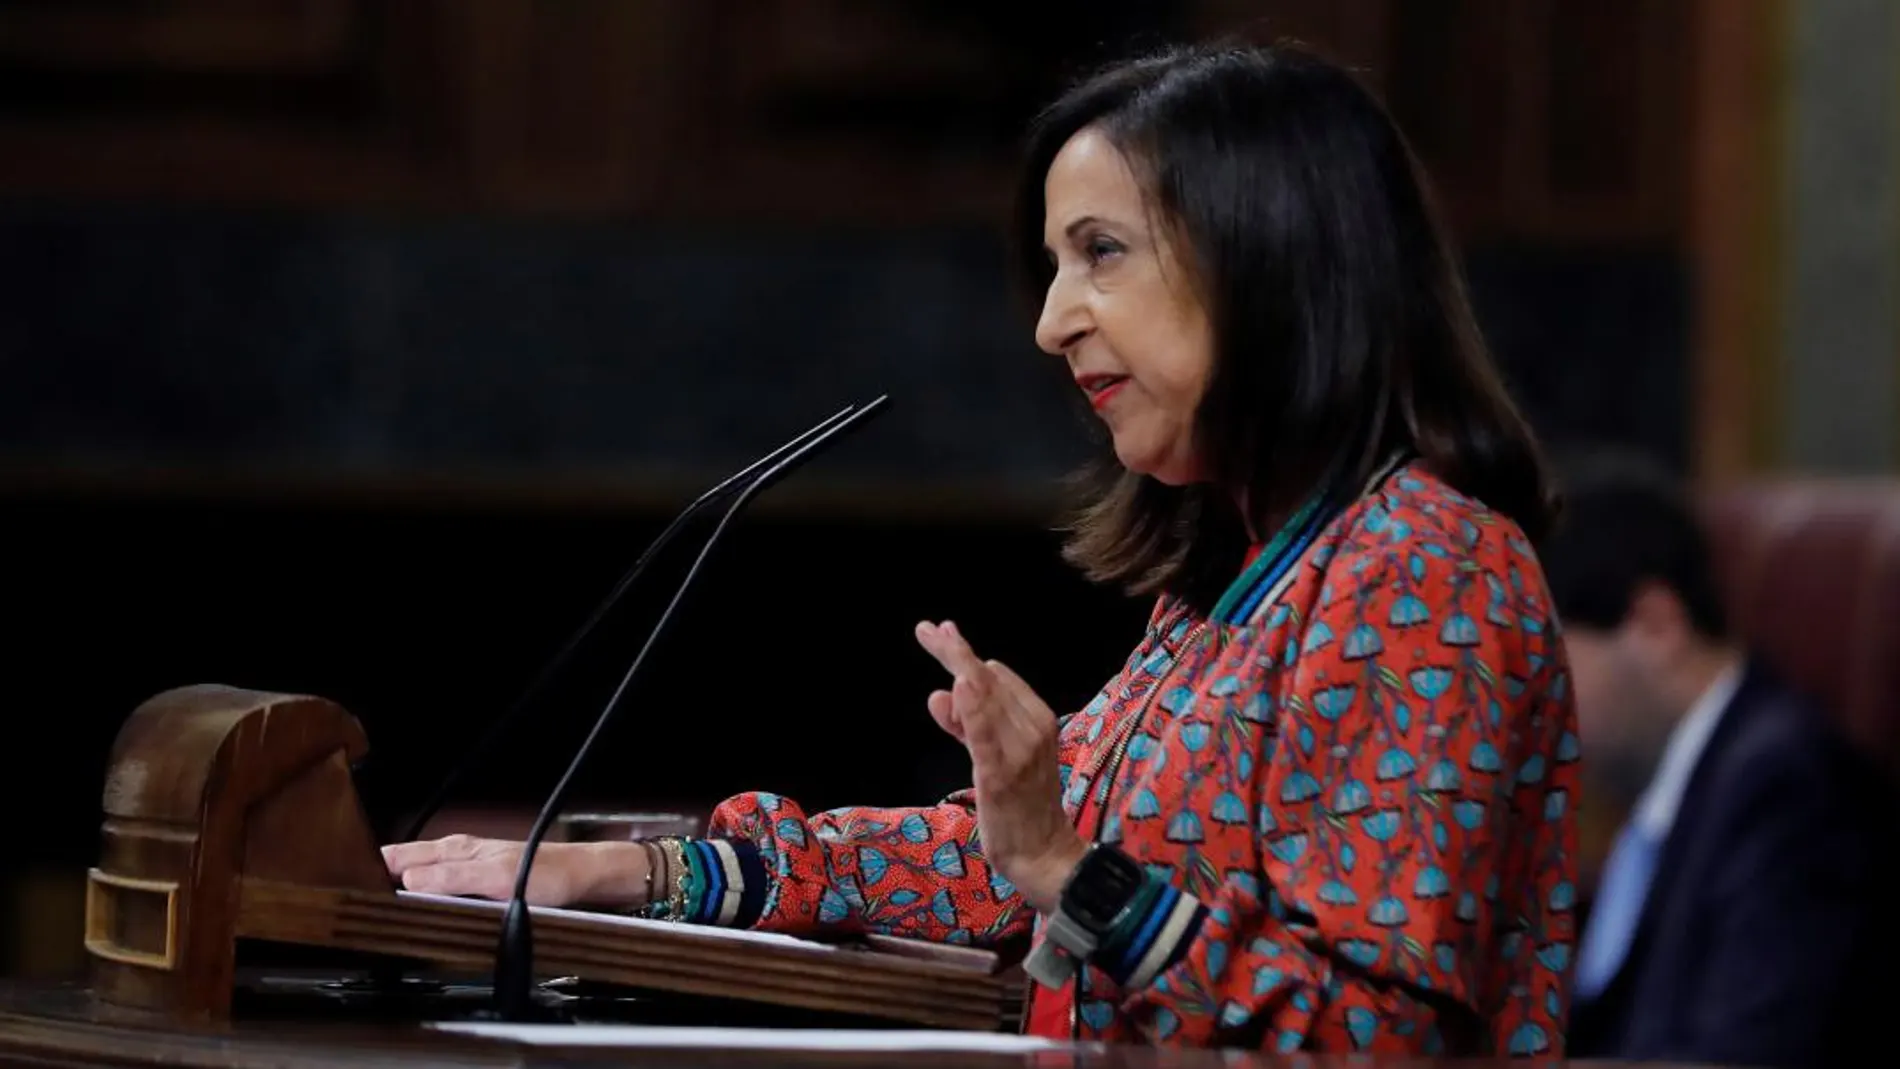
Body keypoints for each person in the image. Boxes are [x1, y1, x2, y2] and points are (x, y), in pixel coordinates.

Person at [383, 42, 1580, 1053]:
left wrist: (1066, 868)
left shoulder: (1424, 568)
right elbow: (985, 867)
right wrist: (632, 877)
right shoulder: (1238, 579)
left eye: (1100, 252)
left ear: (1267, 256)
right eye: (1055, 265)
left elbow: (1374, 1034)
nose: (1054, 320)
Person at [1542, 458, 1898, 1069]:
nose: (1530, 707)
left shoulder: (1787, 787)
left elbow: (1746, 1058)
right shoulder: (1668, 797)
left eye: (1544, 661)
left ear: (1655, 624)